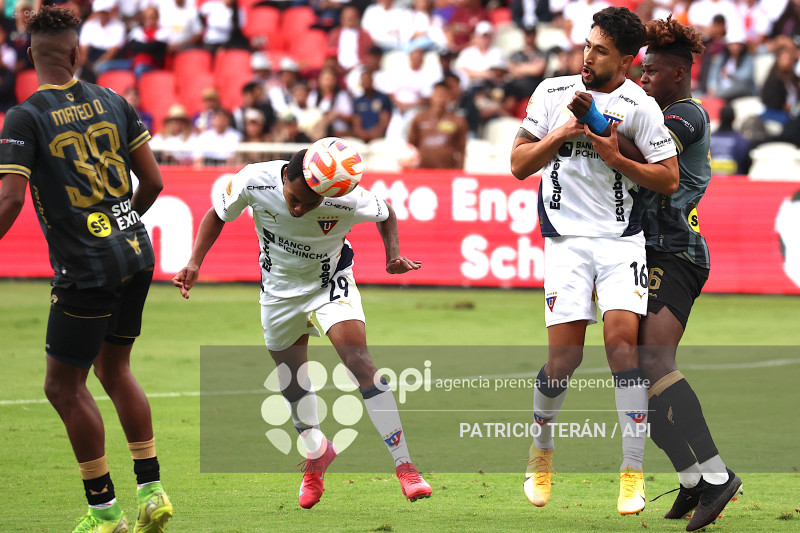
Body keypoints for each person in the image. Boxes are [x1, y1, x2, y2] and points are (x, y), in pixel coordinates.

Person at [171, 147, 433, 509]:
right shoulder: (254, 179)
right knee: (292, 380)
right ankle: (317, 457)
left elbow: (386, 212)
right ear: (285, 180)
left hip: (330, 284)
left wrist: (392, 255)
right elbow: (217, 214)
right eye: (294, 200)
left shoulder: (347, 198)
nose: (298, 209)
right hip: (278, 292)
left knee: (359, 362)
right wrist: (194, 262)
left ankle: (406, 466)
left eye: (309, 205)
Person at [0, 7, 172, 533]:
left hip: (85, 271)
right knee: (115, 369)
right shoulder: (114, 100)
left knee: (62, 386)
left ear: (30, 56)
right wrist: (117, 225)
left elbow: (8, 202)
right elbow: (155, 183)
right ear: (77, 53)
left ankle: (105, 513)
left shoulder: (24, 117)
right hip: (136, 255)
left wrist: (91, 235)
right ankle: (152, 491)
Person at [509, 6, 679, 515]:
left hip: (620, 242)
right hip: (565, 242)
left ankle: (631, 473)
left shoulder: (640, 106)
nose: (587, 56)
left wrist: (618, 158)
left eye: (600, 51)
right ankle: (541, 453)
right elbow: (519, 165)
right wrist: (561, 133)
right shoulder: (551, 93)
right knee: (564, 361)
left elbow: (667, 178)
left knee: (621, 348)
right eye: (586, 45)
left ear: (626, 61)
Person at [638, 16, 742, 532]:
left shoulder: (686, 116)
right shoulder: (655, 109)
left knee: (653, 360)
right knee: (634, 376)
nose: (642, 80)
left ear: (678, 73)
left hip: (675, 250)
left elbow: (643, 157)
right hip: (647, 251)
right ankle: (691, 478)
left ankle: (717, 476)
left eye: (650, 72)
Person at [408, 80, 467, 169]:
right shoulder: (419, 118)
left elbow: (462, 150)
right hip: (422, 169)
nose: (440, 98)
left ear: (449, 98)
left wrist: (459, 171)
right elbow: (411, 145)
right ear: (431, 96)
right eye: (438, 94)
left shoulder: (458, 121)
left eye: (443, 95)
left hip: (447, 170)